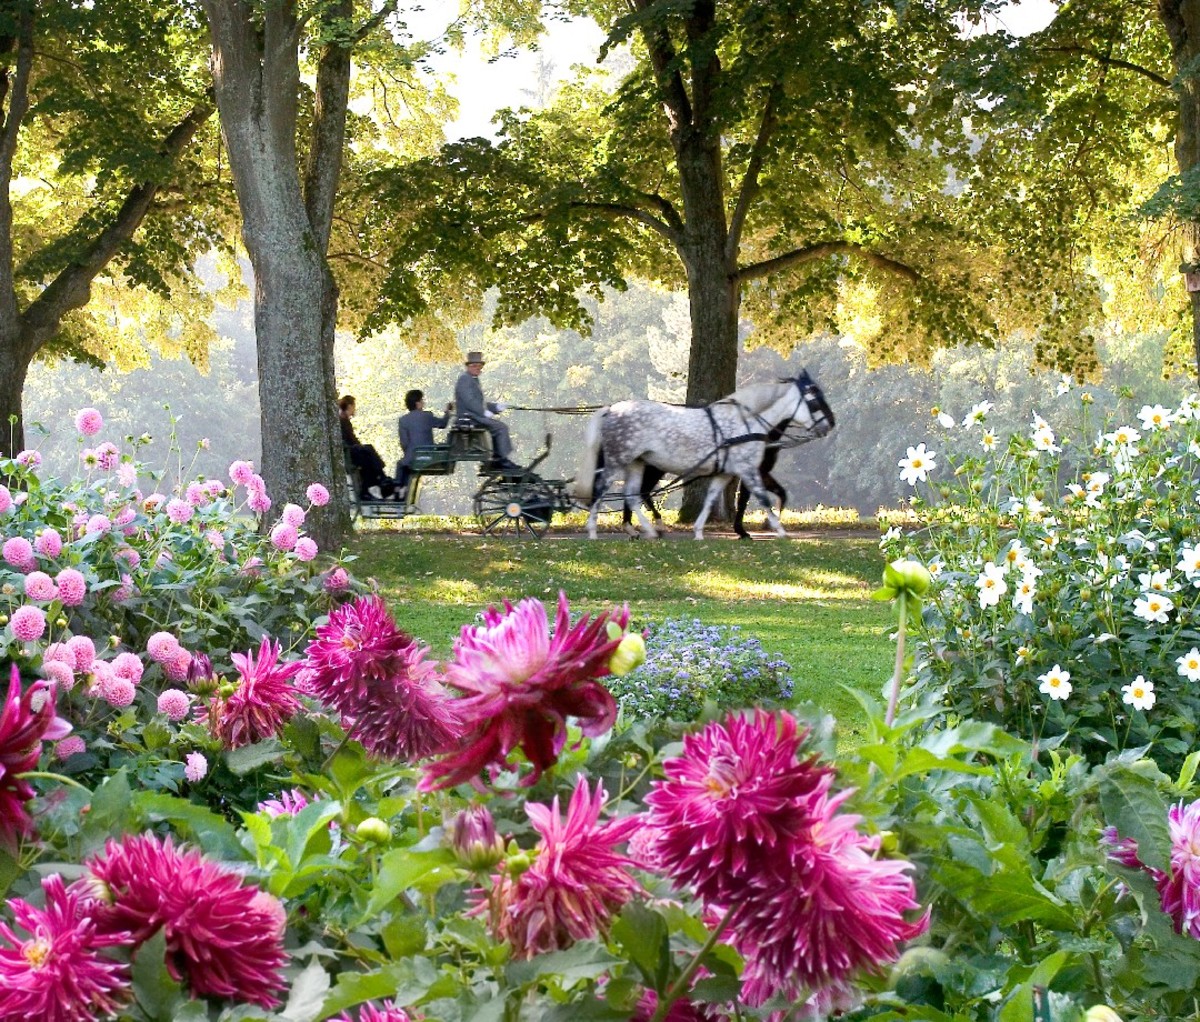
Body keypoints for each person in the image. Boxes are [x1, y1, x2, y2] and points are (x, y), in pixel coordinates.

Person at [454, 351, 516, 470]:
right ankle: (502, 460)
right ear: (468, 366)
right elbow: (470, 401)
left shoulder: (473, 379)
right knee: (501, 427)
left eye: (479, 366)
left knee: (496, 427)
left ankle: (497, 458)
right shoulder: (465, 379)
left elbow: (479, 402)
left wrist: (496, 407)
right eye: (474, 366)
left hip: (473, 415)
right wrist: (483, 412)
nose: (478, 368)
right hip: (469, 418)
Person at [338, 395, 395, 500]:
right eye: (354, 407)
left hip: (350, 451)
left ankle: (374, 482)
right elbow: (351, 440)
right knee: (368, 450)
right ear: (350, 406)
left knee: (368, 461)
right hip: (349, 453)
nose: (354, 409)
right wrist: (360, 447)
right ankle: (381, 476)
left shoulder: (343, 419)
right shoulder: (343, 420)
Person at [396, 388, 451, 492]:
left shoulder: (403, 420)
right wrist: (448, 412)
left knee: (401, 465)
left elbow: (404, 443)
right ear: (418, 403)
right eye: (422, 400)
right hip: (429, 456)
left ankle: (399, 490)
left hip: (413, 456)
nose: (423, 402)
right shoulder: (427, 416)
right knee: (406, 465)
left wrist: (408, 454)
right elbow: (443, 424)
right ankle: (403, 490)